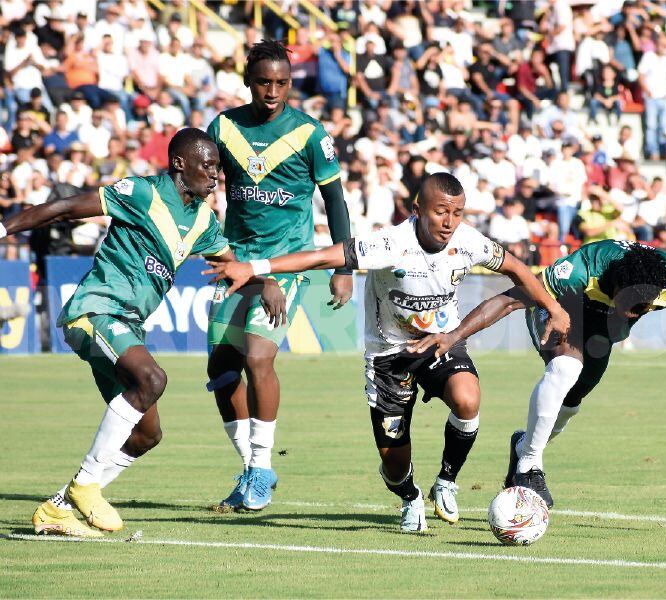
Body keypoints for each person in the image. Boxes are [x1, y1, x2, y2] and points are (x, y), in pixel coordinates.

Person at [0, 128, 287, 537]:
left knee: (147, 434)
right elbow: (63, 208)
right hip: (95, 311)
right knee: (153, 378)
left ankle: (59, 506)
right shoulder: (142, 192)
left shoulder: (202, 222)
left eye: (218, 168)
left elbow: (234, 268)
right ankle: (86, 485)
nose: (216, 175)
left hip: (127, 326)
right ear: (179, 163)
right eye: (208, 165)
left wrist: (263, 280)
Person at [205, 173, 569, 532]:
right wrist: (254, 267)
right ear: (416, 209)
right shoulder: (390, 244)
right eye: (441, 211)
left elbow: (517, 269)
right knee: (394, 465)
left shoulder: (470, 242)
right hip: (388, 357)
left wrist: (552, 306)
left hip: (442, 342)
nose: (449, 222)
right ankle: (410, 498)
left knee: (468, 399)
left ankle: (446, 480)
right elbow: (321, 257)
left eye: (457, 213)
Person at [424, 240, 666, 508]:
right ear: (614, 284)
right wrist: (454, 335)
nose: (631, 312)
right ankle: (529, 465)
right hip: (561, 309)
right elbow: (507, 300)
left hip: (602, 333)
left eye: (641, 308)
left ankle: (523, 447)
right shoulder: (581, 270)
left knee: (572, 402)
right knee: (565, 368)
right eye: (627, 303)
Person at [205, 40, 353, 513]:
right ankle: (255, 468)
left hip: (287, 262)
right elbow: (199, 188)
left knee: (257, 357)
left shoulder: (310, 133)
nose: (273, 91)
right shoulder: (224, 127)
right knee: (221, 370)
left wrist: (342, 267)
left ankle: (261, 467)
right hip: (235, 260)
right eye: (264, 82)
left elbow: (335, 202)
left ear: (291, 83)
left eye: (282, 83)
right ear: (248, 81)